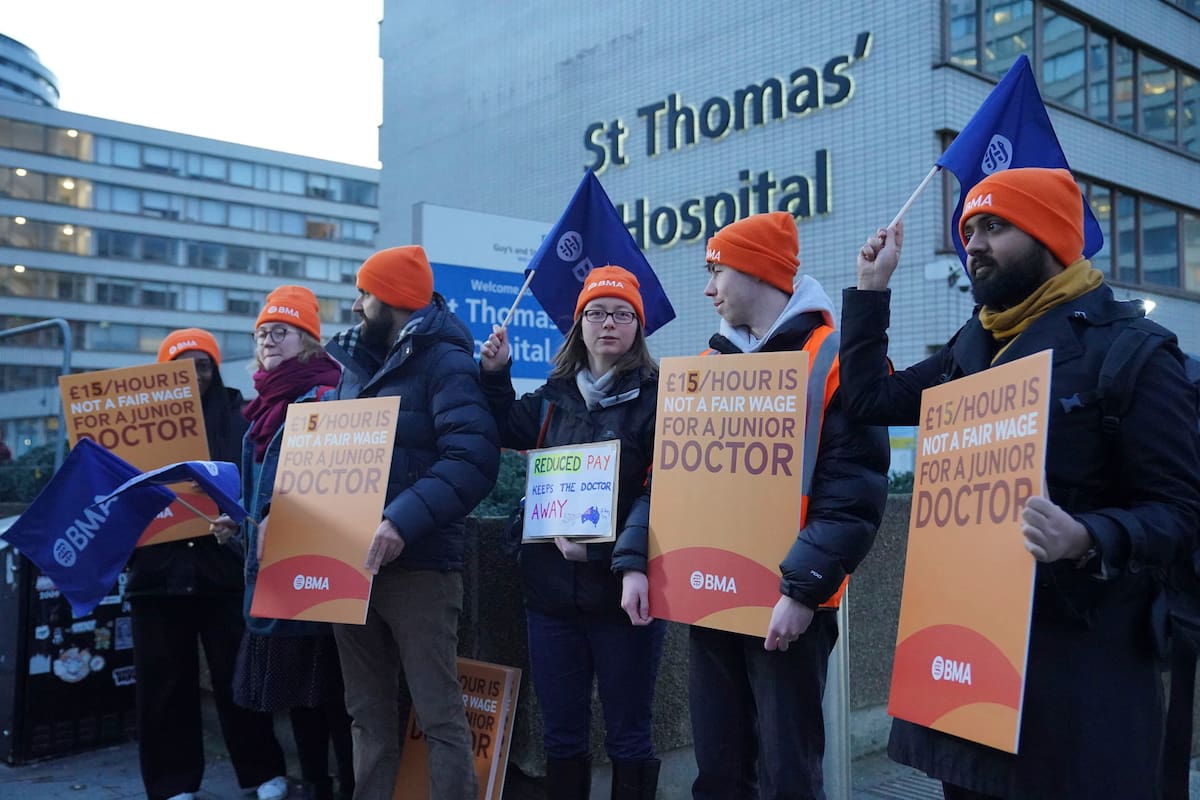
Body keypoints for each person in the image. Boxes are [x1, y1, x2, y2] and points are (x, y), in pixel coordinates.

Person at [841, 167, 1200, 799]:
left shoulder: (1135, 351)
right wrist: (871, 289)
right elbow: (868, 398)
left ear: (1051, 237)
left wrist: (1087, 535)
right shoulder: (971, 347)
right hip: (974, 675)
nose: (973, 242)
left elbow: (1178, 512)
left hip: (1081, 677)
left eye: (995, 226)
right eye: (968, 228)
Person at [687, 211, 889, 800]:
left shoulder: (834, 357)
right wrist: (635, 562)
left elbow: (854, 490)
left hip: (788, 601)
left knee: (788, 775)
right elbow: (670, 480)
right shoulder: (708, 364)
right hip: (712, 596)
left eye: (716, 270)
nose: (708, 287)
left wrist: (801, 591)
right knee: (719, 772)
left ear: (755, 270)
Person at [479, 265, 667, 799]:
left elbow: (667, 495)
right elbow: (497, 425)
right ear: (579, 323)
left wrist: (606, 549)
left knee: (629, 737)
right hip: (550, 598)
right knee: (561, 737)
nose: (610, 323)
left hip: (624, 596)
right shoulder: (549, 399)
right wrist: (495, 374)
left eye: (623, 313)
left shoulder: (661, 400)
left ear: (638, 327)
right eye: (597, 312)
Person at [324, 245, 500, 800]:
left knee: (439, 716)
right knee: (366, 716)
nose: (356, 305)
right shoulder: (354, 370)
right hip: (351, 569)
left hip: (420, 568)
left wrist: (400, 522)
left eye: (365, 292)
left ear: (394, 298)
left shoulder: (446, 362)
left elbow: (472, 460)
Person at [129, 328, 288, 800]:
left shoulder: (243, 417)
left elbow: (261, 484)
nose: (193, 377)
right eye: (181, 367)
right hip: (156, 575)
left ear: (215, 371)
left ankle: (262, 773)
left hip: (222, 571)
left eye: (202, 366)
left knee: (239, 679)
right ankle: (172, 783)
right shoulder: (136, 424)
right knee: (162, 687)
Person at [211, 287, 355, 800]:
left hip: (319, 568)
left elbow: (336, 484)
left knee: (333, 694)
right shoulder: (261, 409)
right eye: (262, 334)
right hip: (277, 572)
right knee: (301, 695)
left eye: (281, 331)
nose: (268, 341)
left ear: (309, 340)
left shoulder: (326, 394)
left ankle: (343, 787)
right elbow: (261, 502)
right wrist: (239, 527)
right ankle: (315, 784)